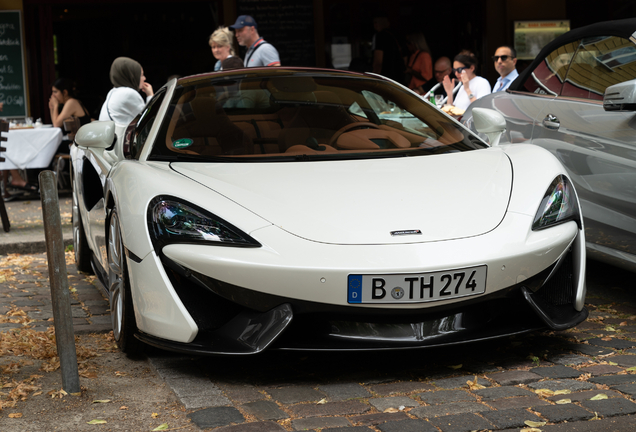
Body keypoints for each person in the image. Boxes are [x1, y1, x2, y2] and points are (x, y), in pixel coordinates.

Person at [99, 57, 154, 125]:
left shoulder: (113, 92)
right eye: (141, 75)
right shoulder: (128, 93)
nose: (144, 78)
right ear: (132, 76)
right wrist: (150, 95)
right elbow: (149, 119)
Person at [371, 14, 407, 85]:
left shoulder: (380, 36)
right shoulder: (398, 35)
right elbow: (405, 57)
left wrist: (374, 79)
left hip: (385, 77)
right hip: (399, 76)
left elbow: (378, 62)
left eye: (375, 22)